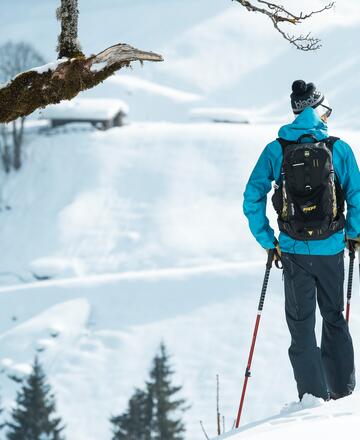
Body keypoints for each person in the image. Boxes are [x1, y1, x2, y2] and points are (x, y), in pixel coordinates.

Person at [243, 80, 360, 401]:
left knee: (301, 326)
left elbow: (251, 197)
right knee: (334, 317)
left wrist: (268, 240)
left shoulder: (275, 149)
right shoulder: (339, 148)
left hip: (293, 250)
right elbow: (357, 194)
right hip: (332, 247)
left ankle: (311, 398)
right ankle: (343, 391)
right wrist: (353, 232)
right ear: (316, 110)